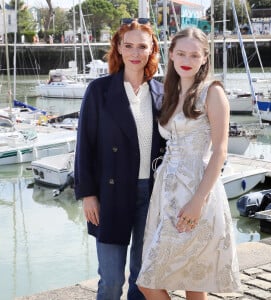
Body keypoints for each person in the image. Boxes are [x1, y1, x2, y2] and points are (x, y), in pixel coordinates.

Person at [137, 27, 241, 300]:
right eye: (181, 53)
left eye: (195, 55)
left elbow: (219, 151)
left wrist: (198, 200)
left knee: (166, 282)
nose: (187, 59)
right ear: (170, 55)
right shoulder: (169, 93)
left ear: (205, 58)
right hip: (166, 191)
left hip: (196, 189)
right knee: (187, 279)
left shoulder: (212, 92)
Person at [74, 18, 165, 300]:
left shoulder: (161, 91)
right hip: (110, 193)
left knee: (142, 280)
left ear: (152, 50)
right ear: (118, 48)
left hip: (152, 195)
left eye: (142, 46)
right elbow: (84, 146)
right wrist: (88, 194)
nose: (135, 53)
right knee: (111, 281)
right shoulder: (99, 90)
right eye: (129, 46)